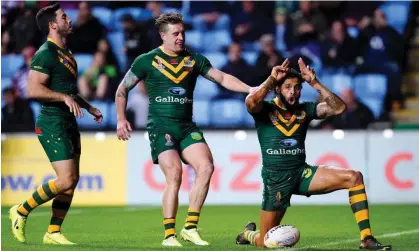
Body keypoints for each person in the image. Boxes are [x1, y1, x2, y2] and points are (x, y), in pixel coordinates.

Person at [115, 12, 252, 247]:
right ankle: (169, 235)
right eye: (176, 33)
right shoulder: (146, 60)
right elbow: (122, 89)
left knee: (206, 167)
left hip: (187, 127)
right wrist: (120, 119)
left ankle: (190, 228)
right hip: (161, 127)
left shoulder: (193, 60)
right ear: (163, 36)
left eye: (183, 33)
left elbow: (221, 77)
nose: (181, 37)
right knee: (175, 175)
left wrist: (250, 88)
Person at [235, 58, 392, 250]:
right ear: (277, 89)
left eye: (297, 87)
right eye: (287, 87)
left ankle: (366, 238)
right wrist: (271, 79)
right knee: (265, 243)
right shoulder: (265, 109)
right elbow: (251, 101)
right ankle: (248, 234)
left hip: (302, 174)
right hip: (276, 180)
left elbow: (339, 108)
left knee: (354, 177)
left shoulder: (305, 110)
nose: (293, 92)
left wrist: (314, 82)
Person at [8, 3, 103, 245]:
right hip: (51, 122)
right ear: (53, 25)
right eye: (64, 17)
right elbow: (33, 89)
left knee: (72, 182)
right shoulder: (45, 53)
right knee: (65, 180)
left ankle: (53, 231)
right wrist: (63, 98)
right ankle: (20, 210)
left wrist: (88, 106)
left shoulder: (66, 53)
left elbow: (67, 91)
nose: (69, 20)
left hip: (68, 121)